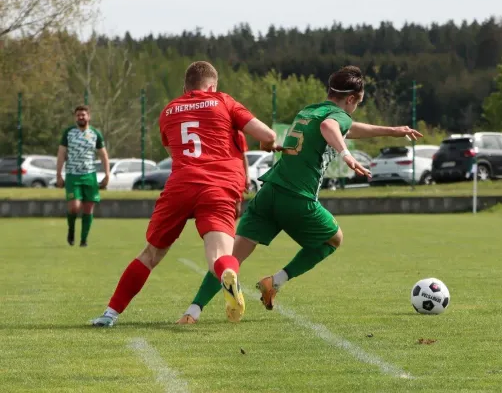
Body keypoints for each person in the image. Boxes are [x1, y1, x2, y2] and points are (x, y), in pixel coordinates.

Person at [177, 65, 423, 323]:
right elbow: (332, 126)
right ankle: (276, 281)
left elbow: (344, 127)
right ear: (350, 99)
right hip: (296, 198)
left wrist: (392, 131)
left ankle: (192, 312)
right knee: (333, 239)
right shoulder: (335, 117)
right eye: (357, 104)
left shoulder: (310, 111)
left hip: (269, 192)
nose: (354, 110)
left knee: (230, 259)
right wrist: (346, 155)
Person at [91, 61, 276, 327]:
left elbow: (173, 153)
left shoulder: (169, 110)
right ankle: (227, 274)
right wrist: (267, 143)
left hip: (181, 184)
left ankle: (110, 314)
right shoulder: (222, 101)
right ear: (212, 86)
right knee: (220, 256)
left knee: (151, 254)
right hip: (219, 186)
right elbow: (267, 134)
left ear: (185, 87)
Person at [56, 105, 110, 247]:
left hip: (90, 175)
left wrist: (107, 174)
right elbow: (61, 154)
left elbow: (103, 155)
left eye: (83, 115)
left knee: (88, 208)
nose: (81, 117)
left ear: (88, 117)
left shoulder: (95, 134)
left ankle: (84, 240)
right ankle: (71, 230)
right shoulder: (68, 133)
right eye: (78, 115)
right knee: (74, 207)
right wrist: (58, 175)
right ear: (75, 117)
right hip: (73, 175)